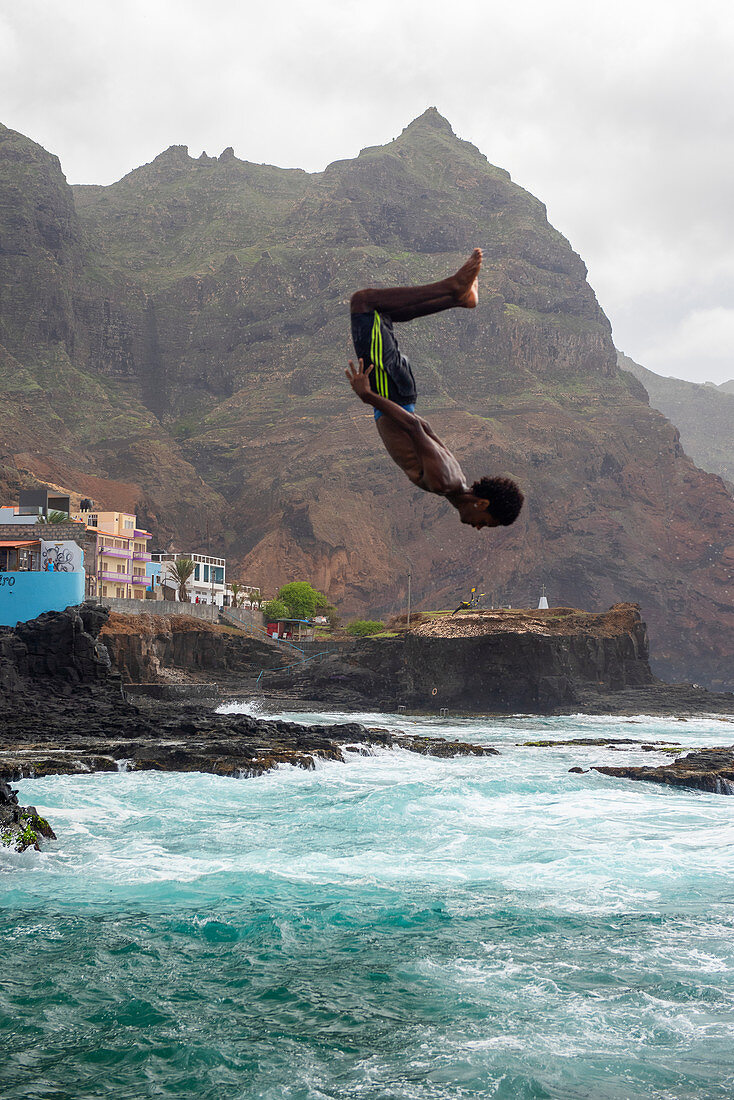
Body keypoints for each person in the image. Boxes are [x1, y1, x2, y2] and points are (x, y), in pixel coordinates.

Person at [346, 248, 524, 530]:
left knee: (381, 313)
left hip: (401, 394)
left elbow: (424, 426)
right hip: (389, 389)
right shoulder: (445, 481)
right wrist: (369, 396)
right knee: (364, 303)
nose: (478, 527)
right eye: (486, 523)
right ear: (483, 503)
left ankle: (458, 298)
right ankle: (453, 289)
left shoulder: (455, 480)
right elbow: (416, 429)